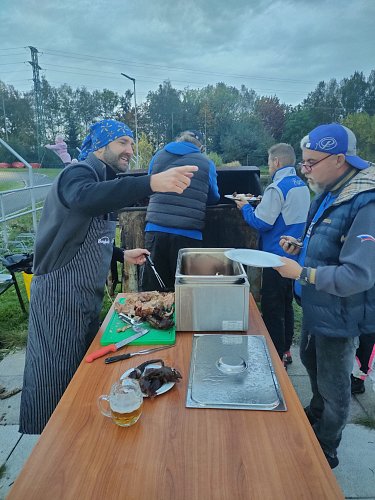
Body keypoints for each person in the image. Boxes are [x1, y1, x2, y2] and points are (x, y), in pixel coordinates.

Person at [20, 119, 198, 434]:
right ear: (101, 146)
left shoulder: (103, 179)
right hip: (59, 295)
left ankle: (80, 428)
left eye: (131, 143)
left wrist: (119, 254)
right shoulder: (78, 174)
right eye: (122, 143)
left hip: (84, 296)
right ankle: (51, 440)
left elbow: (81, 233)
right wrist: (151, 182)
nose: (130, 150)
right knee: (55, 373)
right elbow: (84, 199)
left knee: (82, 370)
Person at [274, 123, 375, 468]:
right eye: (304, 162)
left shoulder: (366, 201)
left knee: (335, 386)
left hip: (341, 311)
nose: (306, 170)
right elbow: (330, 244)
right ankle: (313, 418)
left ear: (340, 159)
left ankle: (326, 448)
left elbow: (358, 274)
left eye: (311, 162)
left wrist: (301, 272)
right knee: (311, 363)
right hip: (317, 305)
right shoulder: (330, 191)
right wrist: (299, 247)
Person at [235, 143, 310, 361]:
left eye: (269, 162)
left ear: (276, 162)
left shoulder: (276, 188)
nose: (269, 166)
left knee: (272, 307)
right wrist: (259, 201)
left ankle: (275, 357)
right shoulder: (301, 185)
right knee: (286, 305)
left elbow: (261, 222)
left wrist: (245, 207)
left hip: (274, 257)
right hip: (294, 257)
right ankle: (286, 350)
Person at [141, 130, 220, 291]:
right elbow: (213, 196)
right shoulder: (206, 162)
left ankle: (154, 315)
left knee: (155, 288)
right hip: (188, 234)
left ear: (179, 140)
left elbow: (149, 185)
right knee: (187, 288)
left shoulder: (158, 156)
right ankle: (185, 315)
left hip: (155, 230)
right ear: (200, 146)